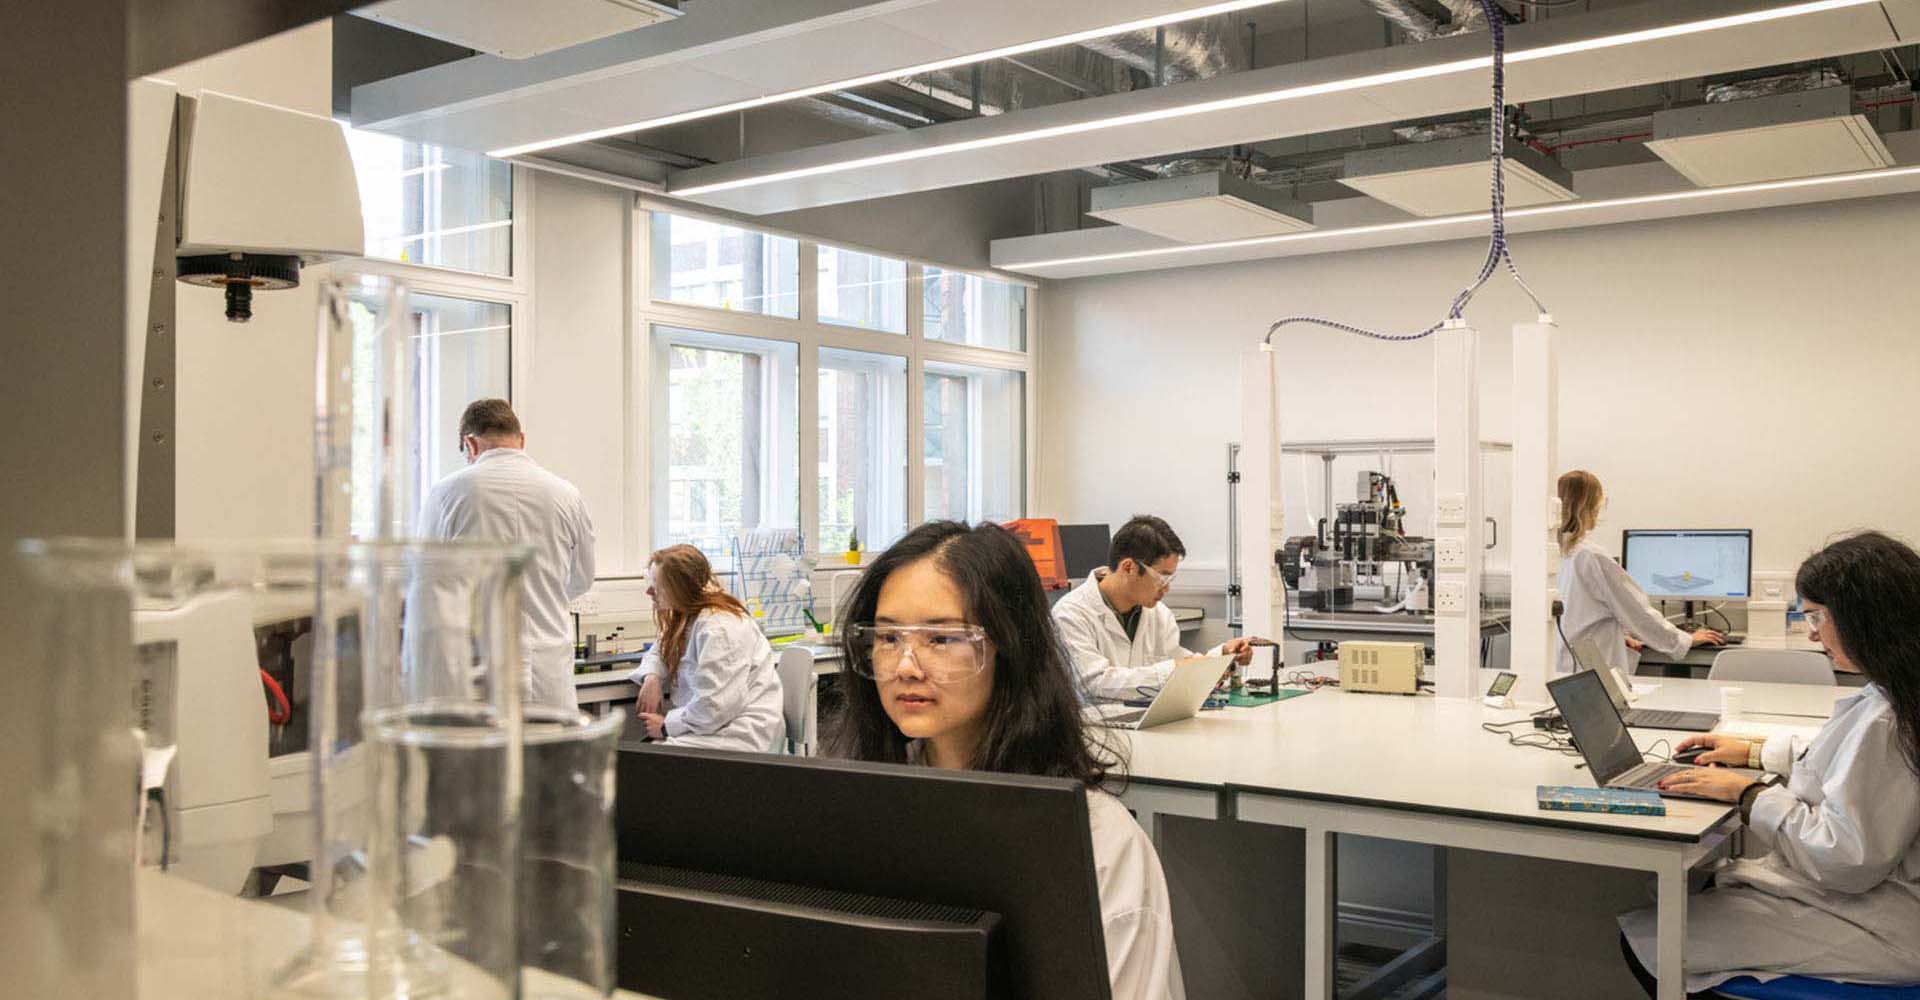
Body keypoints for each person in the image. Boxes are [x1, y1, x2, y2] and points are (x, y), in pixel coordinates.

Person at [829, 520, 1185, 1000]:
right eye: (888, 638)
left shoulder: (1099, 844)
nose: (905, 667)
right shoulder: (857, 810)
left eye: (941, 639)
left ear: (1010, 646)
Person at [1617, 530, 1920, 994]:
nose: (1812, 631)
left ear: (1865, 617)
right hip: (1879, 901)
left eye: (1818, 616)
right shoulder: (1896, 690)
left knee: (1653, 938)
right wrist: (1755, 753)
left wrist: (1747, 793)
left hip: (1883, 923)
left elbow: (1845, 859)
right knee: (1687, 896)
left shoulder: (1891, 716)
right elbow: (1842, 762)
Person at [416, 398, 595, 710]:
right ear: (521, 439)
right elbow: (582, 577)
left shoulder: (447, 493)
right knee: (548, 758)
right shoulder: (567, 494)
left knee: (487, 759)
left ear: (469, 444)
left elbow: (426, 584)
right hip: (549, 674)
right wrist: (543, 596)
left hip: (478, 674)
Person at [1052, 515, 1253, 702]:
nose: (1166, 587)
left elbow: (1177, 661)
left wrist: (1222, 657)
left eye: (1170, 578)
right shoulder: (1071, 614)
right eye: (1161, 577)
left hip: (1146, 726)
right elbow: (1094, 683)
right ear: (1128, 567)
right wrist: (1171, 671)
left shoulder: (1158, 614)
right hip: (1094, 730)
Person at [1554, 471, 1722, 676]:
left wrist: (1618, 635)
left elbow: (1578, 617)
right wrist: (1685, 639)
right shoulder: (1591, 557)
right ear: (1587, 506)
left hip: (1563, 668)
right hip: (1592, 674)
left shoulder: (1556, 555)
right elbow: (1638, 613)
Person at [627, 544, 784, 752]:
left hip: (741, 734)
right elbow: (660, 649)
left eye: (657, 586)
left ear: (680, 589)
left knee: (652, 761)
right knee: (648, 756)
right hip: (711, 727)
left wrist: (665, 727)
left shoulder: (720, 628)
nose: (649, 592)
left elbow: (714, 707)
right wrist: (652, 677)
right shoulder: (689, 615)